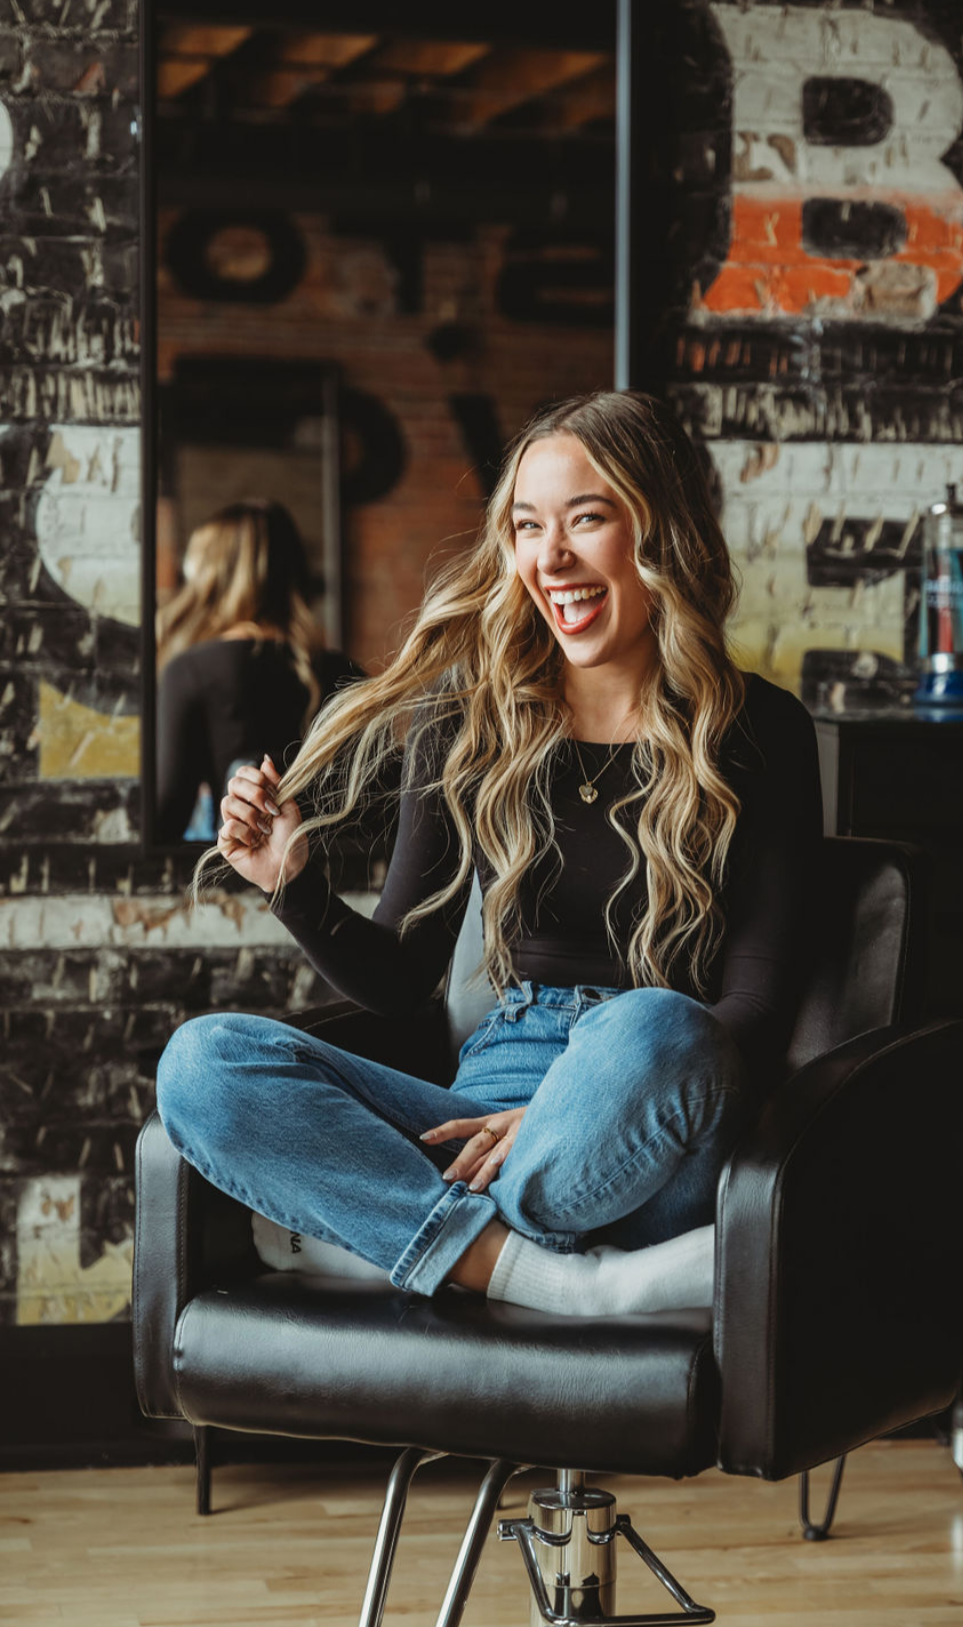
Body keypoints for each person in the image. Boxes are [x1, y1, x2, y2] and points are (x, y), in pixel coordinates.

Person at [155, 391, 823, 1316]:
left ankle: (390, 1241)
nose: (550, 557)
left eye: (585, 519)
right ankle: (560, 1281)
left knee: (658, 1025)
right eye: (526, 526)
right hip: (476, 1122)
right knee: (202, 1063)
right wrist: (292, 883)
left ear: (658, 532)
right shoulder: (467, 721)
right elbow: (400, 979)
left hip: (645, 1112)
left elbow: (754, 1006)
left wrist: (550, 1117)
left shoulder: (760, 731)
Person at [155, 498, 359, 843]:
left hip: (240, 868)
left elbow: (166, 819)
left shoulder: (190, 671)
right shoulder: (346, 671)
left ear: (211, 576)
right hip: (338, 873)